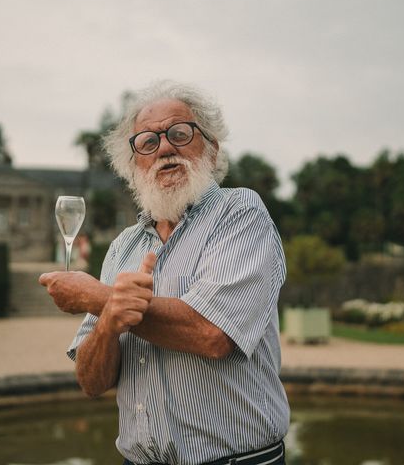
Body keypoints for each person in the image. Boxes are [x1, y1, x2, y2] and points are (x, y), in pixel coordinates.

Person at [39, 80, 289, 465]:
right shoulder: (123, 247)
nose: (165, 148)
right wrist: (108, 322)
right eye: (148, 142)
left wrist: (98, 298)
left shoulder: (240, 214)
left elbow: (212, 334)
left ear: (211, 147)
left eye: (179, 133)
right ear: (132, 164)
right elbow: (92, 382)